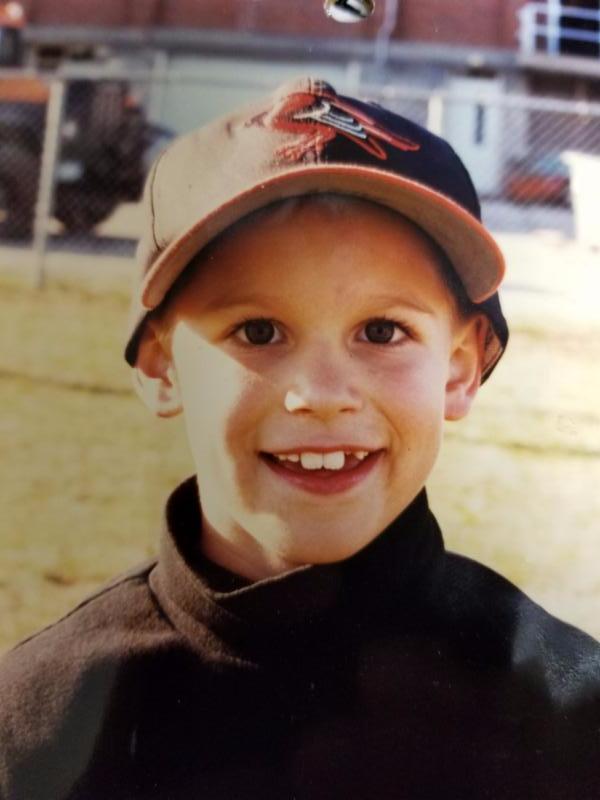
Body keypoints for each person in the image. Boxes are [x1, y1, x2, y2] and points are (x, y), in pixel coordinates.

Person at [0, 77, 598, 800]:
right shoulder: (37, 725)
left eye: (382, 331)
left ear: (461, 367)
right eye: (258, 331)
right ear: (161, 366)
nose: (320, 394)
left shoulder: (569, 715)